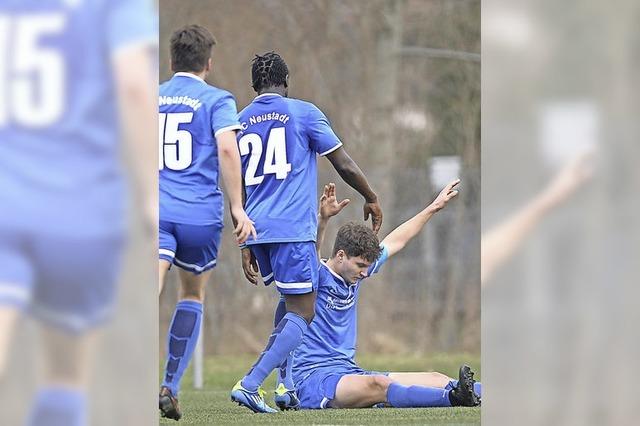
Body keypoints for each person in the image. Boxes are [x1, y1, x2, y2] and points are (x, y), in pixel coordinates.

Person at [0, 0, 156, 424]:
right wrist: (149, 195)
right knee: (65, 376)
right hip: (80, 212)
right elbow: (135, 87)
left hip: (8, 200)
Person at [230, 51, 383, 413]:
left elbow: (236, 185)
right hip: (292, 229)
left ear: (254, 87)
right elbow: (342, 163)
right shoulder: (303, 112)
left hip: (257, 228)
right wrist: (371, 196)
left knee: (287, 304)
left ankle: (286, 385)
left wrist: (244, 240)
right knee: (304, 312)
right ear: (286, 82)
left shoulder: (238, 122)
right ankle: (251, 384)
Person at [289, 181, 482, 410]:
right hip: (313, 379)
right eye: (360, 265)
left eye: (367, 266)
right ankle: (454, 399)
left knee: (436, 379)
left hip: (348, 372)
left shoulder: (356, 272)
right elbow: (312, 252)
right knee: (379, 384)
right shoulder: (316, 276)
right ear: (340, 255)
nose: (364, 272)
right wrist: (323, 221)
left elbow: (397, 239)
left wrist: (433, 207)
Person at [158, 25, 256, 420]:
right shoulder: (218, 99)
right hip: (200, 215)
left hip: (156, 209)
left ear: (171, 61)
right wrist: (238, 207)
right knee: (192, 294)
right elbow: (228, 148)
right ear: (208, 63)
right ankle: (170, 384)